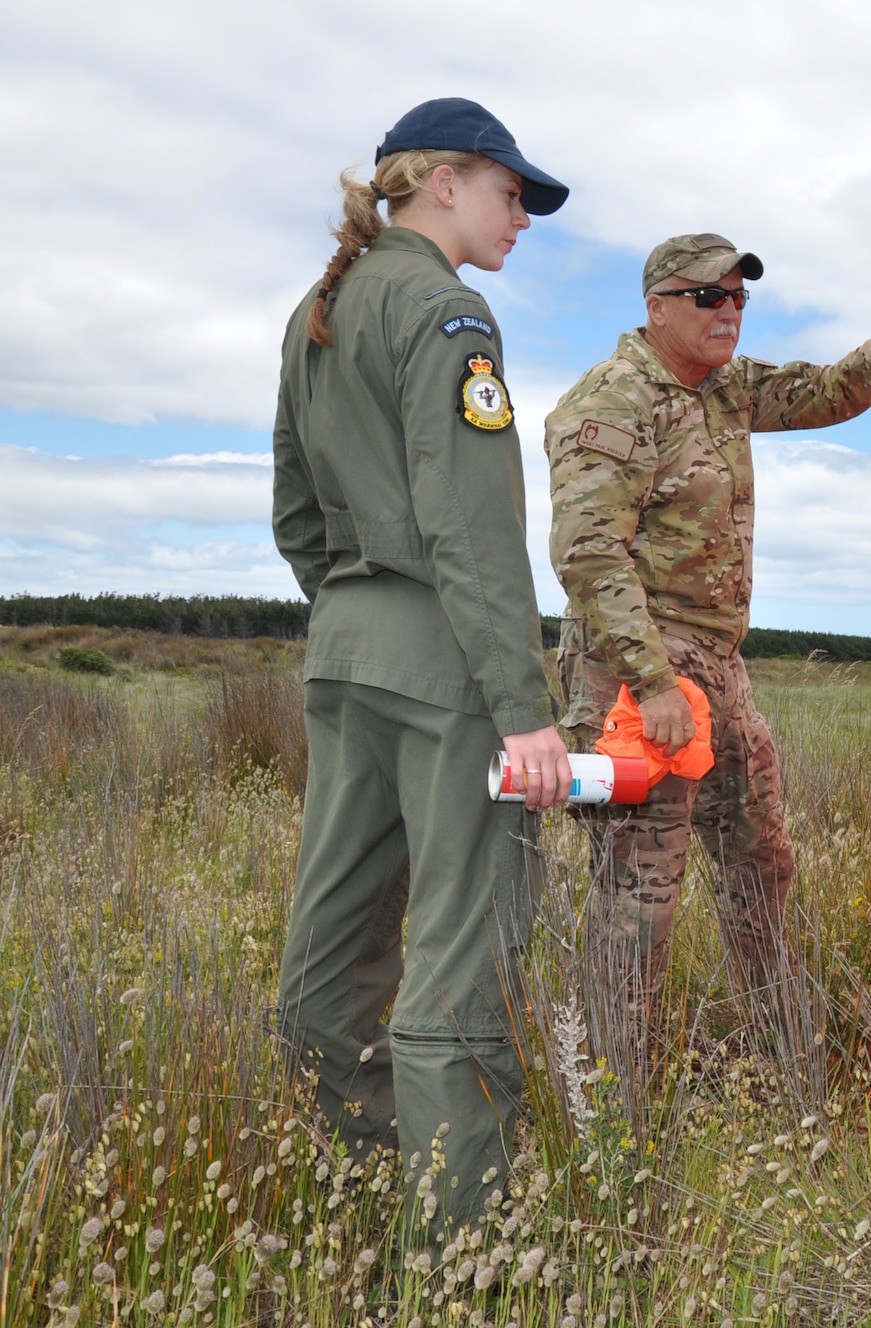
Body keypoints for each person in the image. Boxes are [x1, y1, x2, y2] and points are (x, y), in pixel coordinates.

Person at [270, 97, 572, 1235]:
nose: (522, 217)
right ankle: (463, 1260)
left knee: (326, 969)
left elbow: (296, 513)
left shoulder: (323, 305)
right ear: (443, 181)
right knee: (456, 975)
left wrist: (358, 610)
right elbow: (472, 527)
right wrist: (522, 707)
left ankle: (375, 1189)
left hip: (345, 658)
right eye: (511, 193)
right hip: (446, 675)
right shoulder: (448, 313)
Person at [545, 233, 871, 1018]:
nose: (729, 311)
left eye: (738, 297)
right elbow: (589, 552)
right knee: (642, 893)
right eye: (709, 297)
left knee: (761, 861)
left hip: (718, 669)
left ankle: (781, 1048)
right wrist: (654, 681)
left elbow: (835, 390)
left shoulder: (725, 390)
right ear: (657, 305)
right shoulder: (611, 400)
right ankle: (609, 1102)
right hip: (641, 674)